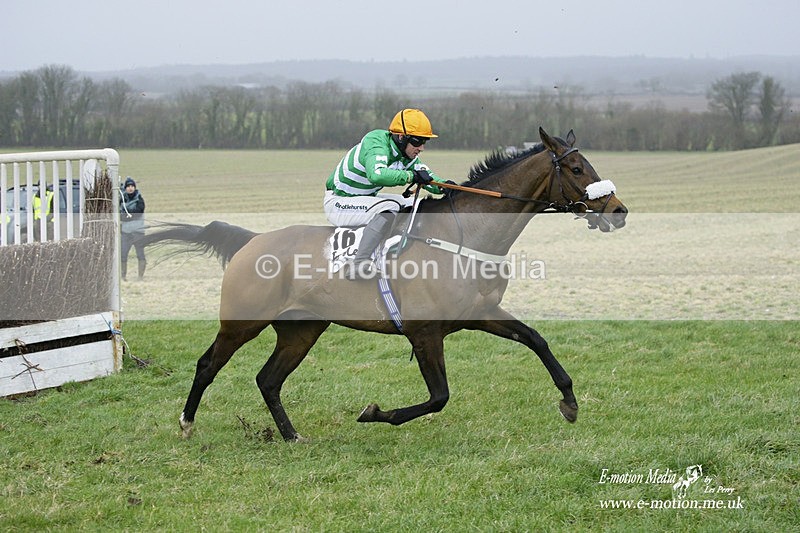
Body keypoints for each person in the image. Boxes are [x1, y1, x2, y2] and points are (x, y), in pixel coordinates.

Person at [324, 108, 447, 279]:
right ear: (401, 137)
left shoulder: (406, 154)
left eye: (425, 141)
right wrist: (411, 176)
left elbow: (427, 176)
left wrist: (447, 187)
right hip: (339, 203)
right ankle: (359, 264)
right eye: (418, 141)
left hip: (363, 200)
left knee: (416, 204)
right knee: (389, 209)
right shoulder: (376, 142)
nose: (422, 148)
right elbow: (376, 175)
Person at [119, 176, 146, 281]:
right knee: (123, 254)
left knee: (140, 254)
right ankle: (123, 276)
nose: (130, 188)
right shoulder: (121, 200)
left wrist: (126, 217)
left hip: (138, 232)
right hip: (126, 232)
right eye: (128, 186)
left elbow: (138, 213)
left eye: (132, 186)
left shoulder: (140, 199)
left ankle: (140, 276)